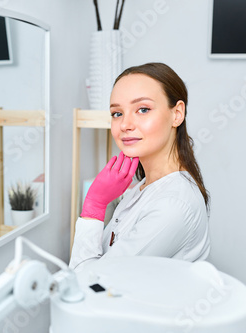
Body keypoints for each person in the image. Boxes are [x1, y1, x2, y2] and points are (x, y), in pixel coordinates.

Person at [70, 62, 210, 269]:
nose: (125, 125)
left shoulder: (171, 206)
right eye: (117, 113)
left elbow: (87, 281)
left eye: (143, 109)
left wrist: (94, 205)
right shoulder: (145, 186)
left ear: (177, 114)